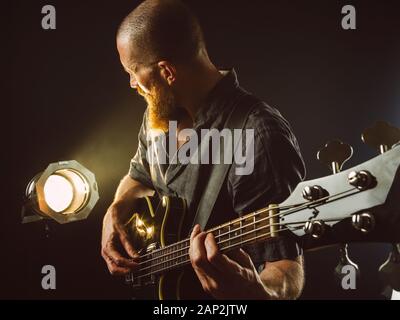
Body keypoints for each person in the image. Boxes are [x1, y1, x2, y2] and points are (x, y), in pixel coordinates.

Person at [101, 0, 306, 299]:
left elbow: (287, 271)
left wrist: (253, 292)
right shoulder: (159, 113)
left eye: (133, 71)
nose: (132, 83)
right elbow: (141, 176)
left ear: (167, 72)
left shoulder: (258, 135)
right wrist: (115, 208)